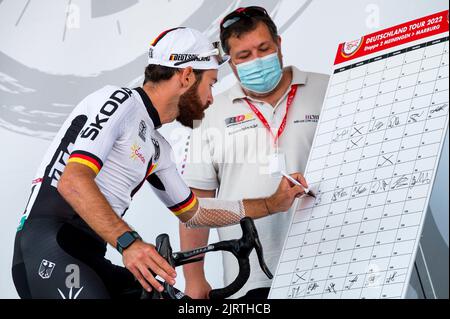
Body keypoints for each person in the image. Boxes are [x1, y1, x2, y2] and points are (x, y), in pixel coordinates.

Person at [11, 27, 309, 299]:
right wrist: (129, 243)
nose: (210, 99)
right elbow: (73, 181)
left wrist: (271, 204)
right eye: (211, 84)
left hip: (88, 255)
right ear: (187, 76)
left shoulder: (158, 147)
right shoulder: (119, 101)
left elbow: (193, 212)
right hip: (48, 246)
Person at [180, 7, 330, 299]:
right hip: (248, 278)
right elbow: (196, 206)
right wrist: (194, 278)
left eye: (264, 49)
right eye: (244, 56)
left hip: (330, 260)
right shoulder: (208, 113)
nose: (257, 61)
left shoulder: (329, 88)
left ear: (279, 44)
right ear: (230, 63)